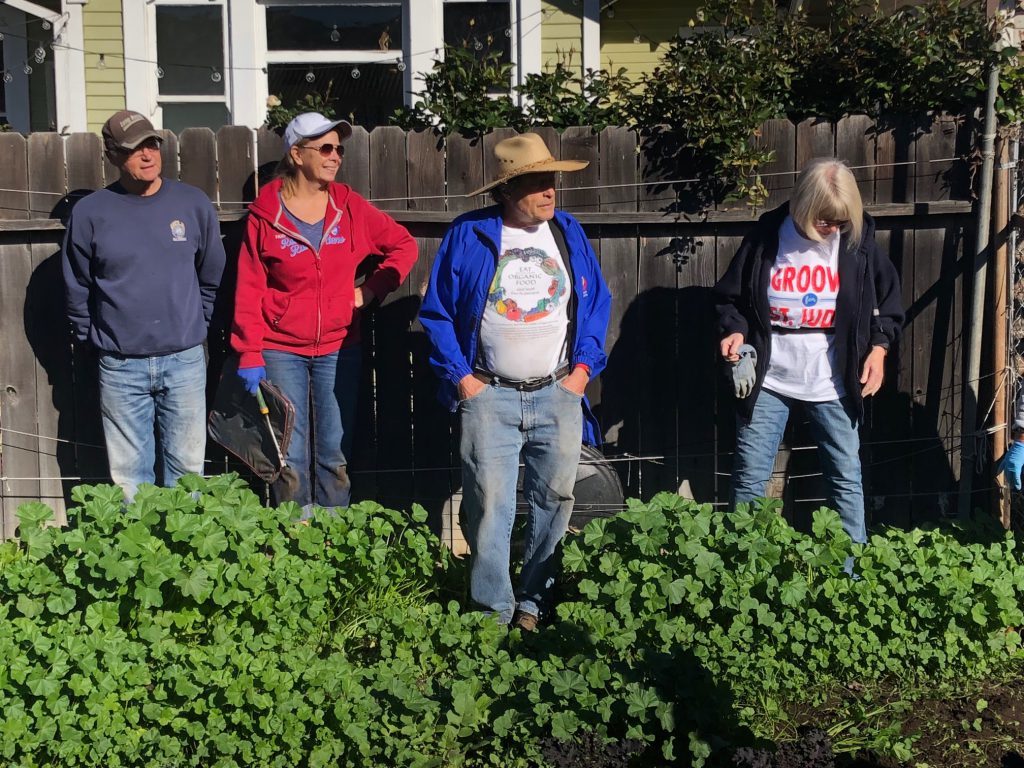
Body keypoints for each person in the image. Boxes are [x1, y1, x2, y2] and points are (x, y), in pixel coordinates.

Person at [419, 133, 612, 630]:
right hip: (489, 394)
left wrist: (583, 373)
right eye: (536, 182)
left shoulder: (568, 232)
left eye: (552, 180)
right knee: (488, 505)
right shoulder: (470, 233)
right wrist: (463, 380)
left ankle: (534, 604)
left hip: (558, 392)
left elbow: (595, 305)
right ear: (506, 191)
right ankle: (492, 611)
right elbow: (437, 314)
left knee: (556, 502)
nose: (550, 190)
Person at [231, 112, 417, 512]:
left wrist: (368, 292)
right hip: (280, 350)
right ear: (297, 154)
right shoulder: (265, 217)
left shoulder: (350, 208)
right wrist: (248, 352)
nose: (336, 156)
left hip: (339, 348)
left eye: (339, 149)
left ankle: (334, 537)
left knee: (335, 452)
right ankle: (295, 540)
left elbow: (404, 247)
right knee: (288, 455)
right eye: (326, 148)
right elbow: (249, 288)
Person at [713, 158, 903, 548]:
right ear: (801, 205)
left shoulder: (859, 239)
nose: (831, 229)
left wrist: (879, 349)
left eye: (839, 222)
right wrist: (734, 331)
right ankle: (742, 568)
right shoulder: (767, 235)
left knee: (845, 477)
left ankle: (851, 576)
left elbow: (887, 303)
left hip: (833, 379)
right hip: (769, 378)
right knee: (751, 476)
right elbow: (731, 298)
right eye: (823, 220)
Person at [62, 109, 225, 501]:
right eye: (135, 149)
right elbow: (77, 286)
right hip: (120, 365)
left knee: (187, 475)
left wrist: (194, 325)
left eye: (152, 144)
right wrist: (96, 337)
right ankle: (140, 561)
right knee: (129, 480)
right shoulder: (90, 213)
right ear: (114, 156)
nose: (148, 154)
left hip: (185, 360)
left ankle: (183, 556)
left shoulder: (192, 203)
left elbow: (212, 273)